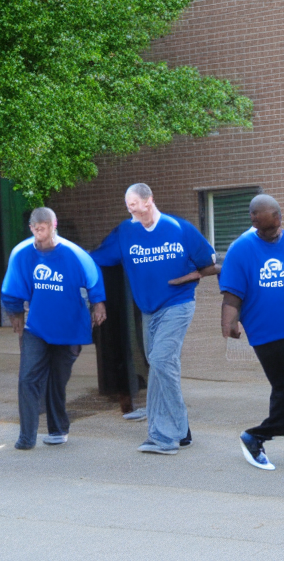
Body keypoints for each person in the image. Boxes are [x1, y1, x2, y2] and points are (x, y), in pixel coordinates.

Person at [90, 183, 218, 455]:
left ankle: (164, 436)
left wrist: (194, 275)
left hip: (178, 304)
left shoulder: (178, 228)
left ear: (149, 201)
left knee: (160, 360)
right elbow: (97, 258)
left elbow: (210, 262)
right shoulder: (125, 232)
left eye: (133, 203)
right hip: (149, 311)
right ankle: (182, 431)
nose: (129, 207)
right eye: (128, 204)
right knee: (161, 366)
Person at [219, 195, 284, 470]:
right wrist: (229, 322)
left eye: (272, 226)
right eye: (261, 227)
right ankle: (258, 437)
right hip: (264, 335)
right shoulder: (240, 250)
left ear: (279, 218)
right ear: (252, 220)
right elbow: (232, 295)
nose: (268, 232)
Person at [1, 208, 107, 450]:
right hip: (36, 326)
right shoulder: (21, 254)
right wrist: (14, 312)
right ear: (31, 228)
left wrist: (99, 304)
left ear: (53, 225)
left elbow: (93, 281)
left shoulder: (75, 254)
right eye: (35, 228)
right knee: (27, 378)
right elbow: (11, 288)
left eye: (44, 226)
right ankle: (26, 437)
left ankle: (58, 429)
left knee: (57, 380)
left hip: (69, 326)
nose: (40, 231)